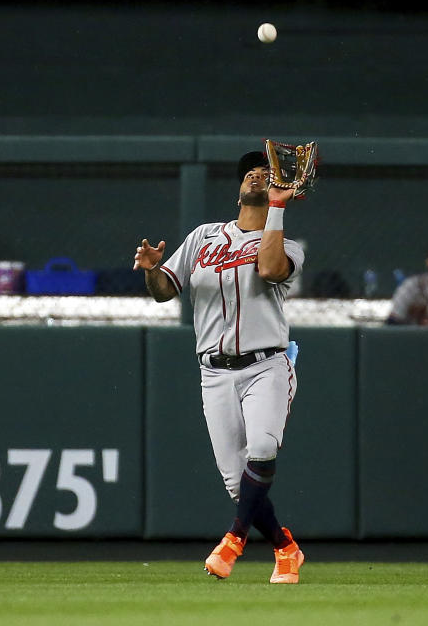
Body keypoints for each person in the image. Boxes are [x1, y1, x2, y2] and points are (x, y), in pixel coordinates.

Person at [133, 150, 306, 584]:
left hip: (266, 365)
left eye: (265, 173)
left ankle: (233, 539)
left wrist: (278, 207)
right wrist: (153, 271)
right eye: (250, 170)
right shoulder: (204, 237)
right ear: (237, 189)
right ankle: (286, 549)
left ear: (279, 190)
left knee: (262, 450)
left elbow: (268, 268)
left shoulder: (288, 246)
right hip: (213, 372)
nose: (256, 174)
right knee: (237, 484)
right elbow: (163, 292)